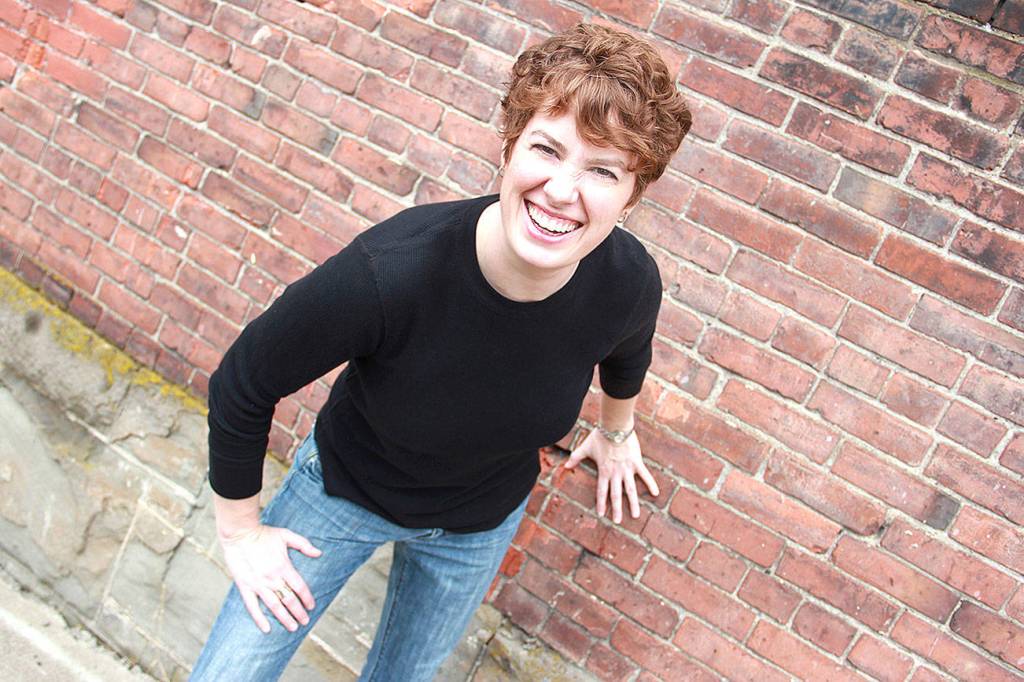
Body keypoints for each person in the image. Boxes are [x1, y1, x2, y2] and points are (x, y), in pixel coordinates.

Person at [190, 22, 691, 681]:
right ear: (510, 147)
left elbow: (627, 355)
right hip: (343, 491)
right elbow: (243, 382)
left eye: (602, 170)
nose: (562, 191)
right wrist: (240, 533)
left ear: (633, 194)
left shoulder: (627, 282)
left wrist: (617, 431)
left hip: (478, 526)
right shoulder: (390, 274)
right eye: (547, 149)